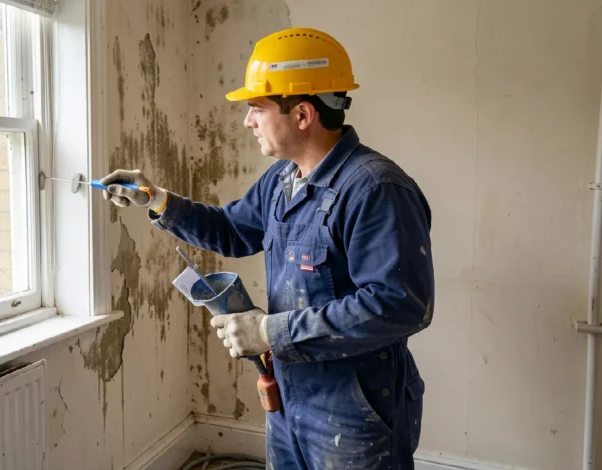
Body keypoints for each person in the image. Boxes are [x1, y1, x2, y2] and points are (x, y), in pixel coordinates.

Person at [100, 27, 434, 470]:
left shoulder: (375, 189)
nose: (247, 121)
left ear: (301, 114)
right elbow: (231, 230)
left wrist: (270, 332)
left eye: (256, 108)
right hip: (289, 397)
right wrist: (157, 199)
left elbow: (401, 305)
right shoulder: (283, 181)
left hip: (356, 410)